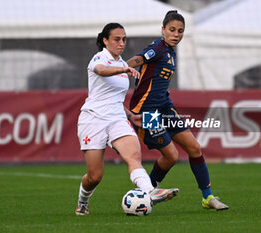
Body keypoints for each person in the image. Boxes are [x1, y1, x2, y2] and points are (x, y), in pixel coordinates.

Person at [127, 11, 228, 210]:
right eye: (172, 30)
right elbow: (136, 61)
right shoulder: (157, 47)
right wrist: (118, 68)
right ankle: (146, 193)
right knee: (172, 157)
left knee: (194, 148)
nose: (176, 34)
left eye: (180, 31)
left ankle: (208, 197)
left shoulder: (171, 51)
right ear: (163, 30)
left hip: (165, 107)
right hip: (147, 112)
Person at [75, 23, 178, 216]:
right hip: (93, 119)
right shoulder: (100, 58)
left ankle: (150, 191)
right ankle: (82, 202)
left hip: (117, 119)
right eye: (116, 39)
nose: (121, 43)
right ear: (105, 41)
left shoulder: (122, 63)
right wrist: (122, 70)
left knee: (133, 157)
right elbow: (101, 70)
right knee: (95, 176)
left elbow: (114, 99)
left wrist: (131, 116)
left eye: (124, 39)